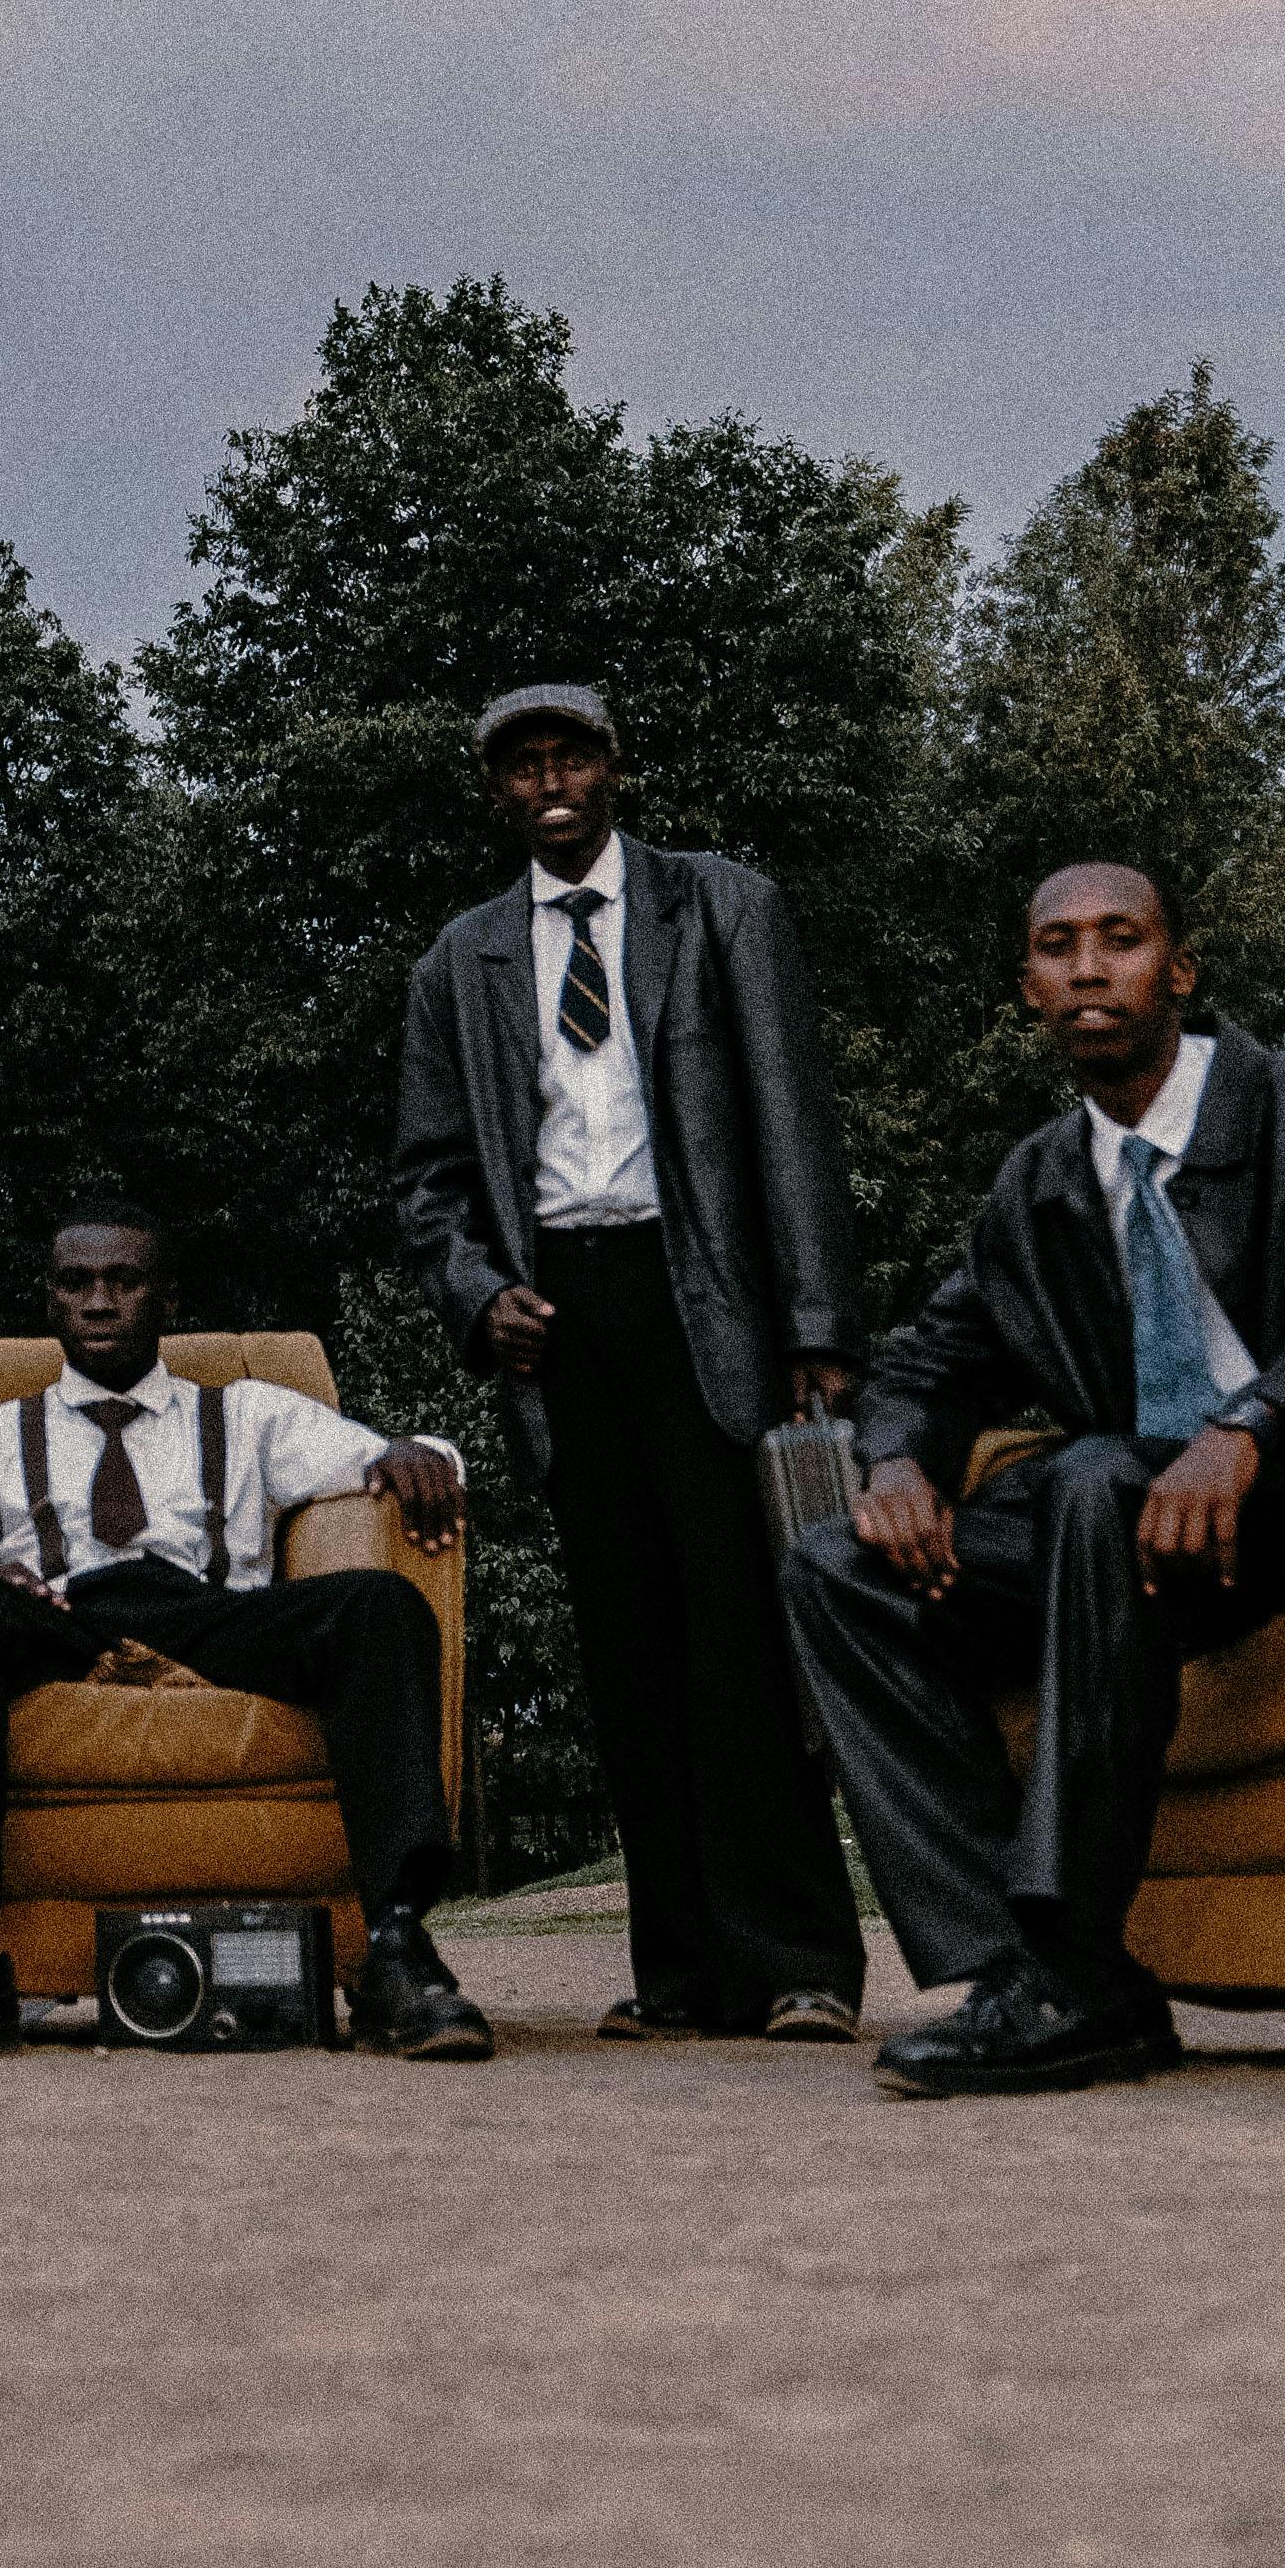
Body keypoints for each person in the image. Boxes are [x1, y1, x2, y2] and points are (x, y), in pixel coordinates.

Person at [784, 857, 1285, 2100]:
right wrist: (893, 1464)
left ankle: (1069, 1954)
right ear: (1029, 988)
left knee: (1094, 1477)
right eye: (1057, 947)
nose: (1089, 968)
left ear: (1181, 969)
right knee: (835, 1563)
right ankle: (1027, 1971)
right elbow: (932, 1360)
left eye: (1121, 939)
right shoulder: (1039, 1183)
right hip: (1116, 1535)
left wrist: (1252, 1423)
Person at [392, 681, 868, 2045]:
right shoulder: (461, 962)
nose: (550, 781)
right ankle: (679, 1976)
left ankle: (797, 1966)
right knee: (629, 1651)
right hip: (564, 1317)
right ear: (497, 791)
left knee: (742, 1637)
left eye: (571, 756)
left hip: (708, 1293)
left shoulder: (723, 907)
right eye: (522, 765)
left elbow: (794, 1125)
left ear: (613, 770)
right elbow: (427, 1181)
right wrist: (483, 1295)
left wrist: (821, 1335)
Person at [0, 1203, 494, 2059]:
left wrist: (421, 1453)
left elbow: (388, 1455)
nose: (98, 1302)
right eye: (75, 1283)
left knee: (380, 1606)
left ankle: (395, 1948)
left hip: (212, 1622)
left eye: (122, 1282)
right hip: (65, 1625)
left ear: (165, 1300)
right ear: (48, 1302)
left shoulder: (245, 1415)